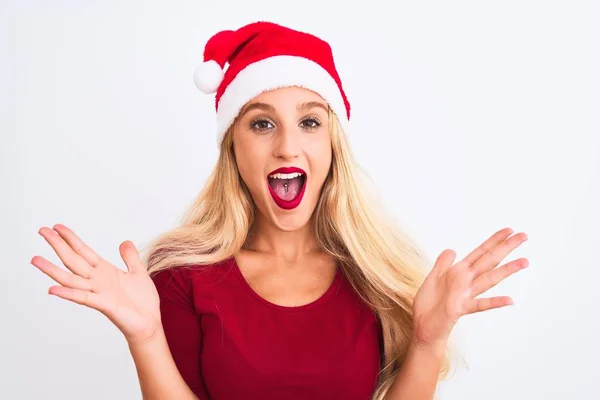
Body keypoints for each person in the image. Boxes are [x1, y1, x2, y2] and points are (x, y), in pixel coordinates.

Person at [32, 21, 529, 400]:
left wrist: (426, 341)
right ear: (234, 149)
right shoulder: (182, 278)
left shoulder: (376, 277)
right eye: (262, 125)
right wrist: (146, 336)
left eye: (310, 122)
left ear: (333, 144)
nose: (288, 147)